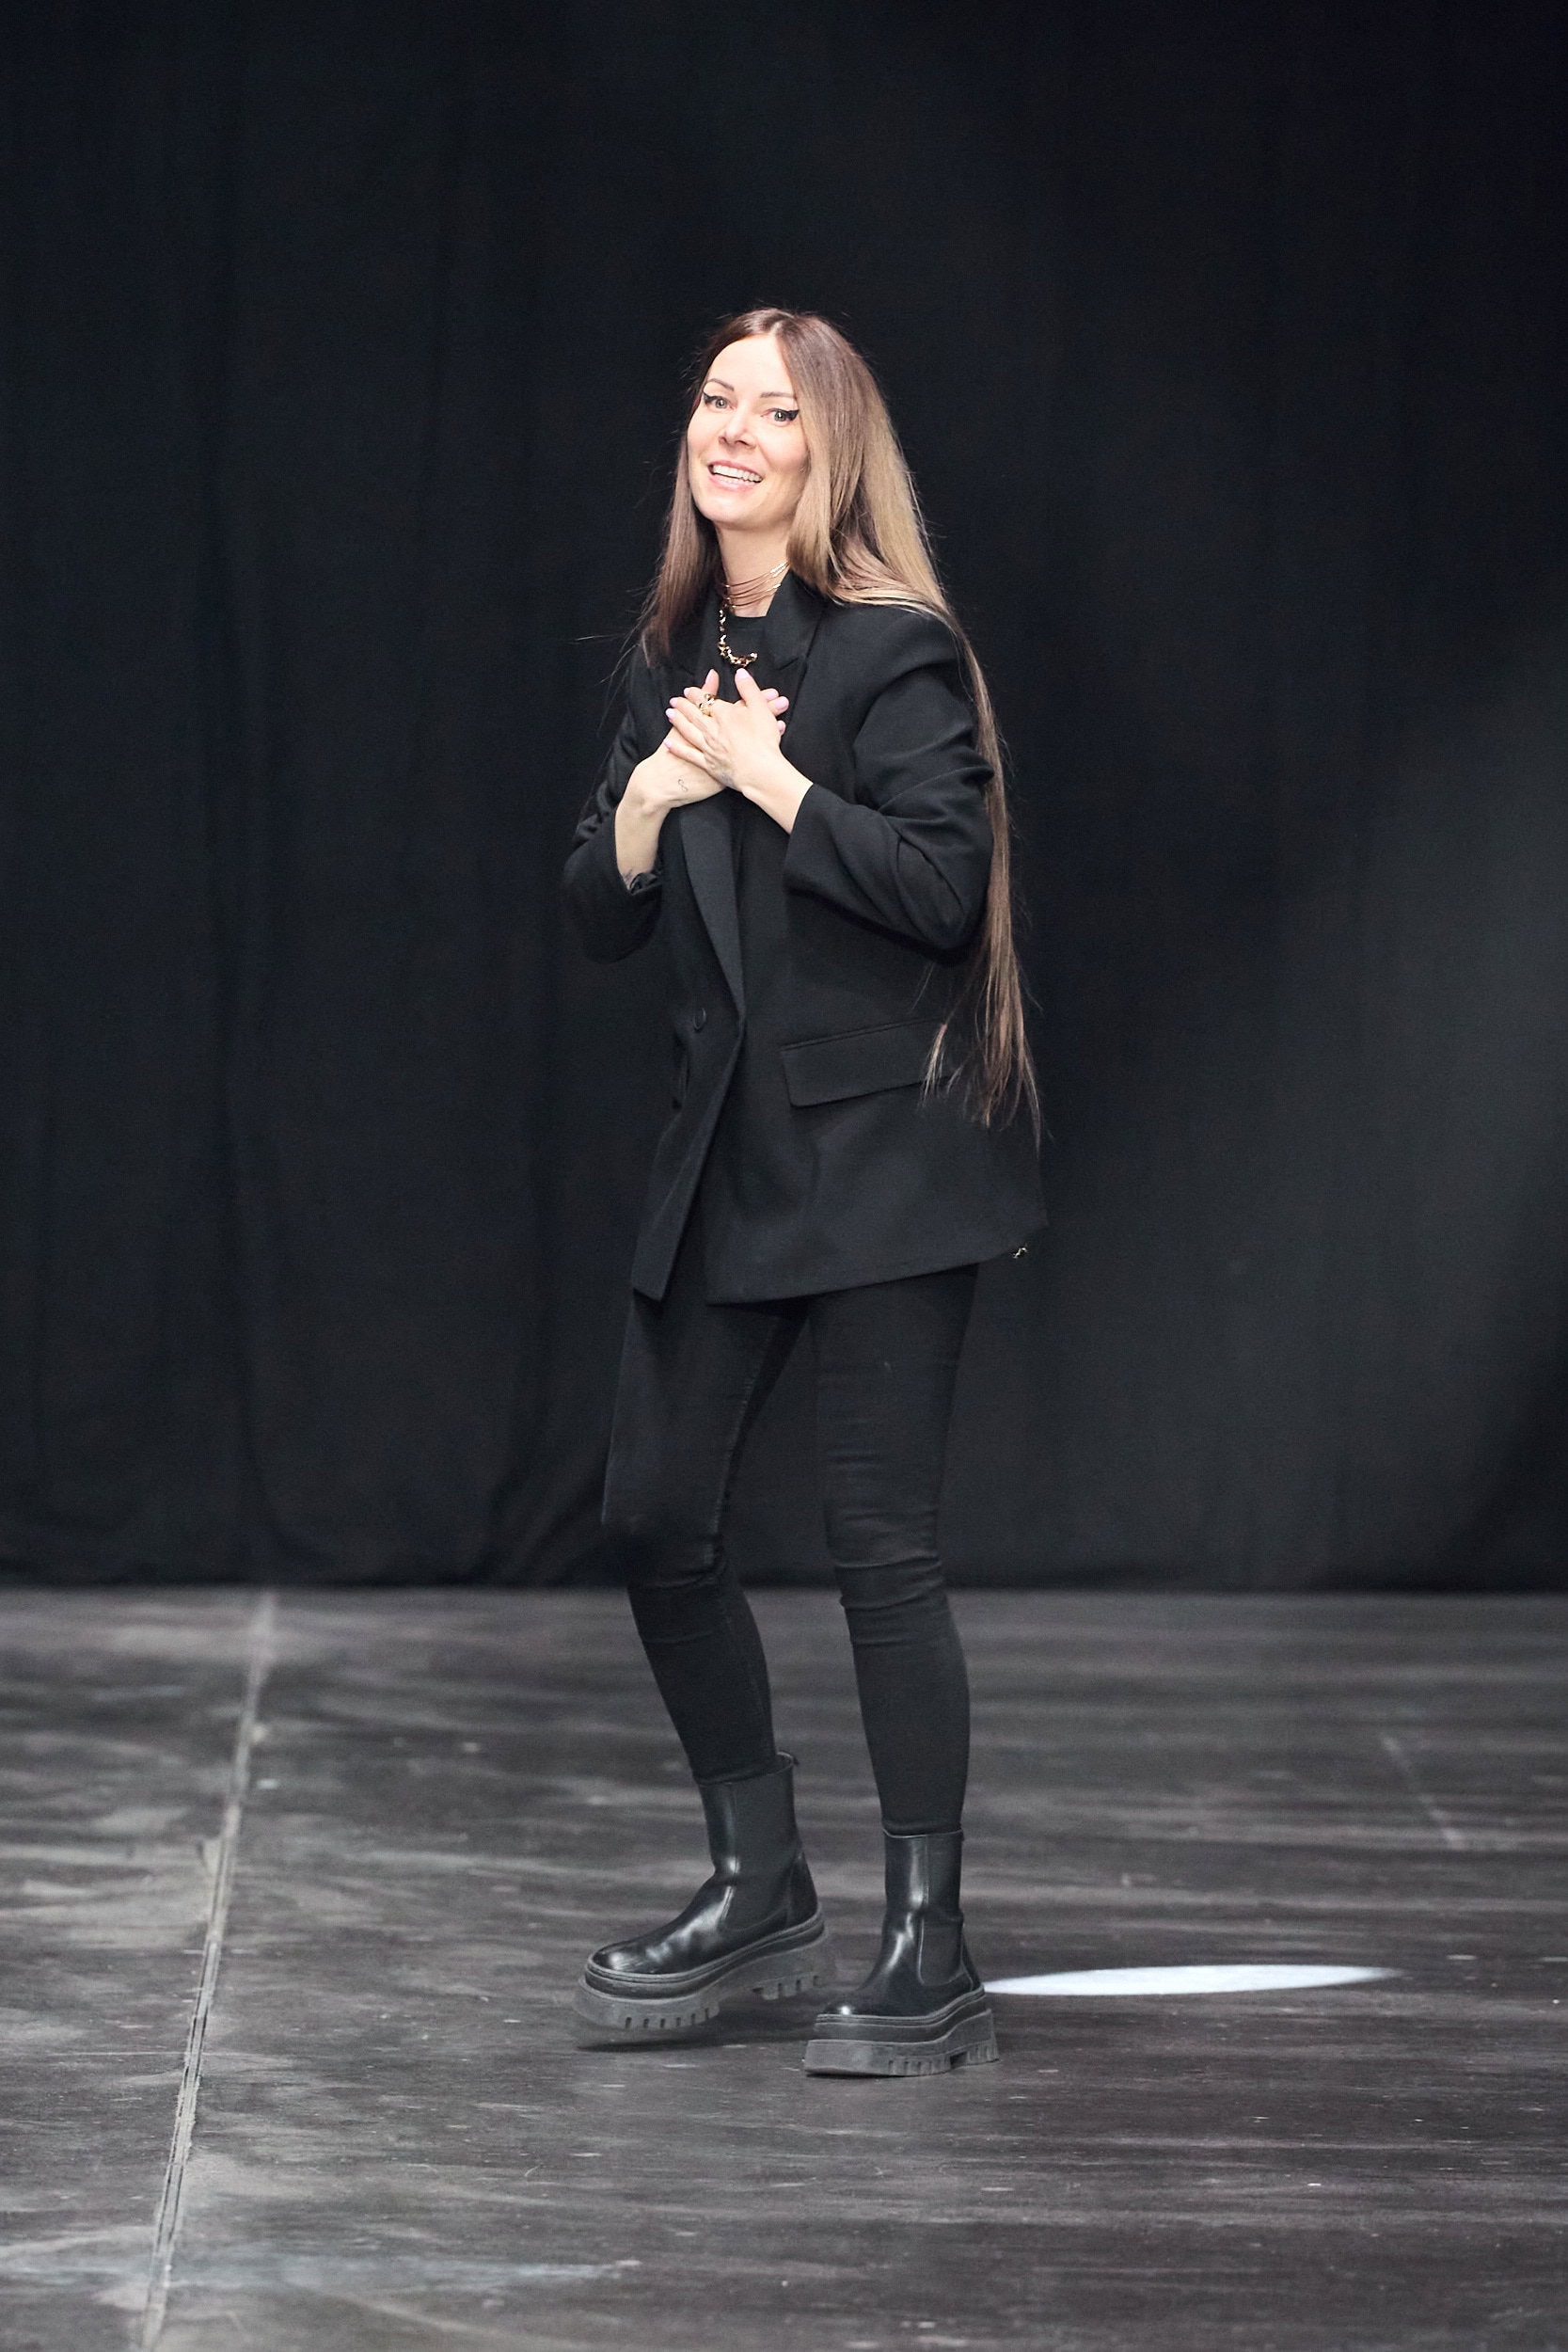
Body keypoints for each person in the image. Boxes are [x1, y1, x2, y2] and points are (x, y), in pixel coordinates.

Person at [562, 308, 1042, 2078]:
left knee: (877, 1551)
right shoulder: (671, 661)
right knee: (652, 1519)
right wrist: (655, 790)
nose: (733, 431)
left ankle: (930, 1945)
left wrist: (768, 778)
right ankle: (759, 1877)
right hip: (733, 1159)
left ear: (829, 452)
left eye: (773, 411)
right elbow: (599, 908)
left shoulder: (892, 650)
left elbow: (940, 885)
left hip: (884, 1164)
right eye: (715, 401)